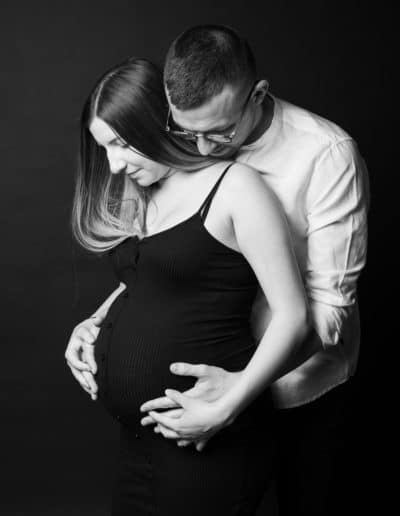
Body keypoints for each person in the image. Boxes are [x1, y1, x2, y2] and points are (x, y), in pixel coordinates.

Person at [137, 25, 370, 515]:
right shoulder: (190, 137)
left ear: (258, 95)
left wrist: (239, 388)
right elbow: (164, 251)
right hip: (205, 392)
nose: (200, 151)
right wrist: (99, 318)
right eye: (187, 133)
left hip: (298, 396)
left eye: (219, 132)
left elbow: (330, 313)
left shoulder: (327, 154)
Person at [65, 57, 309, 515]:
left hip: (209, 441)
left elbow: (295, 315)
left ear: (158, 122)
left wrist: (226, 407)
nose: (114, 165)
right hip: (140, 444)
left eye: (121, 144)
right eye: (105, 149)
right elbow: (150, 281)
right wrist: (94, 323)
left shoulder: (235, 187)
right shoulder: (146, 191)